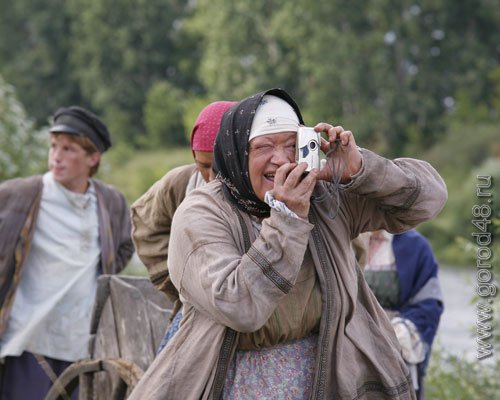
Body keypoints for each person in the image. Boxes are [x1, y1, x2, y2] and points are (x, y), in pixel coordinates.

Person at [128, 88, 448, 400]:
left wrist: (360, 169)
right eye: (264, 147)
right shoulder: (202, 212)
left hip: (328, 369)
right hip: (232, 376)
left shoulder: (322, 196)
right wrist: (287, 219)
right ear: (238, 153)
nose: (280, 159)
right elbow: (240, 306)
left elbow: (428, 201)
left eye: (291, 145)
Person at [0, 106, 134, 400]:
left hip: (80, 339)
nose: (56, 156)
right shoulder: (19, 195)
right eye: (53, 146)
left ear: (92, 158)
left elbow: (125, 246)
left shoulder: (109, 201)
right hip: (30, 336)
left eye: (69, 149)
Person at [130, 100, 236, 347]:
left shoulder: (259, 189)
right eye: (203, 166)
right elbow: (146, 224)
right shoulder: (180, 184)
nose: (210, 177)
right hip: (195, 311)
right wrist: (179, 281)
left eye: (218, 166)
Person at [360, 229, 443, 400]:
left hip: (396, 342)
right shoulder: (344, 238)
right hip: (351, 337)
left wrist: (397, 332)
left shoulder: (415, 246)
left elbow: (429, 303)